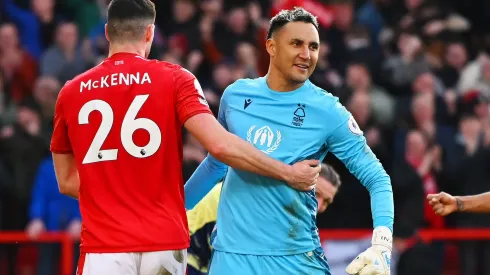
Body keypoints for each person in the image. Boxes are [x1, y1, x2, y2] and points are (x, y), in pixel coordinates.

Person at [49, 1, 321, 274]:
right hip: (164, 240)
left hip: (104, 245)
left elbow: (67, 181)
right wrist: (287, 172)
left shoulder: (72, 92)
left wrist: (118, 191)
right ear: (149, 34)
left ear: (108, 32)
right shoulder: (176, 79)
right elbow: (219, 145)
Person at [184, 7, 394, 275]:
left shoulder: (328, 110)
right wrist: (178, 210)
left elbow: (377, 178)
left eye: (313, 46)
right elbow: (216, 163)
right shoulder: (235, 97)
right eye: (296, 44)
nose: (306, 54)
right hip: (232, 259)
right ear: (271, 46)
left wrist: (382, 246)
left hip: (295, 259)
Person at [186, 164, 342, 275]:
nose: (319, 204)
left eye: (327, 201)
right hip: (184, 257)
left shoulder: (290, 215)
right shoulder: (261, 203)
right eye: (317, 193)